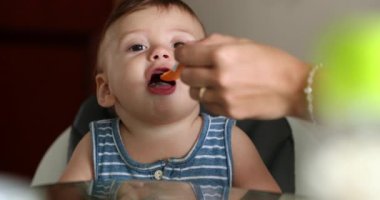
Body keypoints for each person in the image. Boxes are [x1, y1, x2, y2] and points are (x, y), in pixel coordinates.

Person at [59, 0, 281, 193]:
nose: (160, 52)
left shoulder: (230, 142)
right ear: (106, 90)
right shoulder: (96, 147)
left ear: (204, 75)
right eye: (137, 46)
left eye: (179, 45)